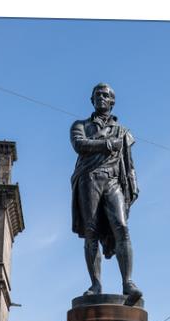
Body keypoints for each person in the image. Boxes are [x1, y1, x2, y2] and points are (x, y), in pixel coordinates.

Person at [70, 83, 142, 303]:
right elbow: (80, 145)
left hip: (113, 181)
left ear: (112, 102)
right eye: (97, 95)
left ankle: (128, 283)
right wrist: (108, 144)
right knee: (91, 231)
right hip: (89, 178)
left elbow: (128, 163)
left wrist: (133, 182)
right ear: (92, 100)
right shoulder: (79, 125)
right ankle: (95, 284)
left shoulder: (124, 132)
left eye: (106, 95)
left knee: (122, 227)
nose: (101, 97)